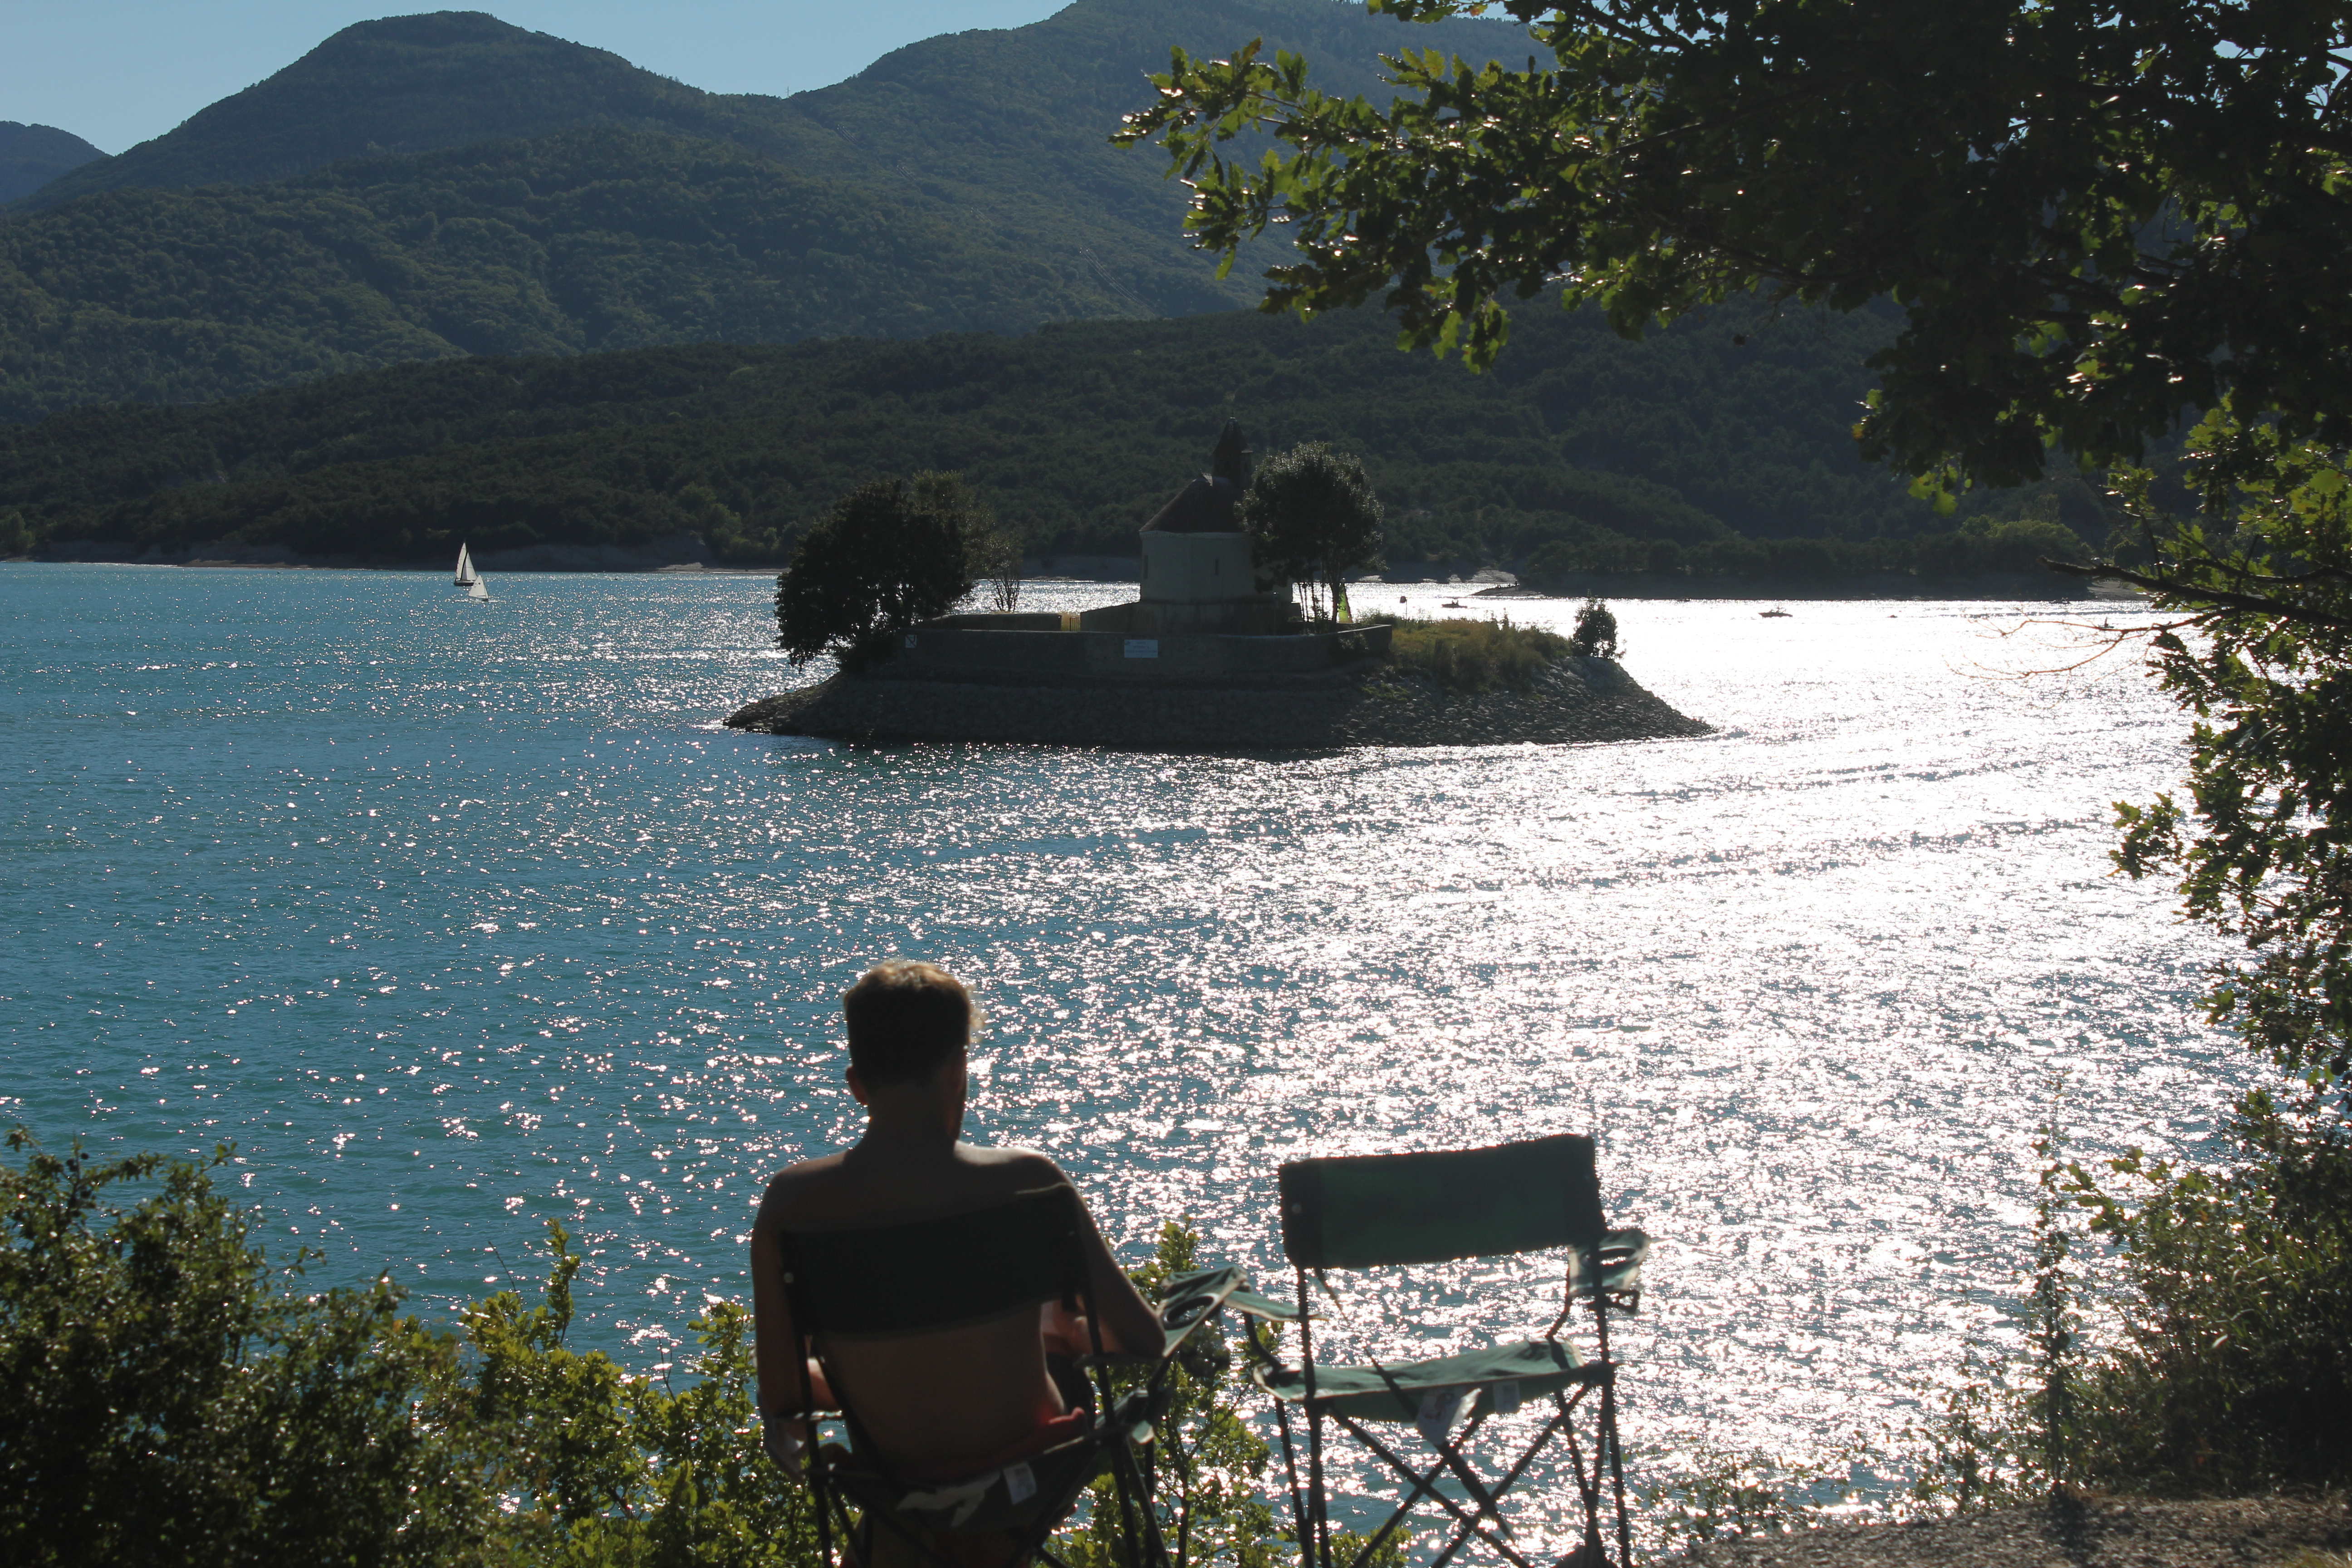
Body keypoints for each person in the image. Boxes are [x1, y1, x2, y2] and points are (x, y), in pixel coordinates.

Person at [750, 958, 1161, 1485]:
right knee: (1052, 1324)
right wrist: (1076, 1330)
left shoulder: (790, 1206)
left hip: (899, 1489)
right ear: (958, 1071)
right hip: (1029, 1474)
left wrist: (862, 1375)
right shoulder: (1031, 1183)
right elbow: (1145, 1340)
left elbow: (785, 1396)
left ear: (856, 1085)